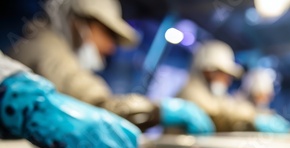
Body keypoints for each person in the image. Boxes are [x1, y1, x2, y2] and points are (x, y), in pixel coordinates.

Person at [7, 0, 214, 134]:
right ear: (81, 23)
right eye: (107, 34)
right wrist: (157, 111)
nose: (110, 48)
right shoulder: (47, 48)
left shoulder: (46, 42)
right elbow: (97, 103)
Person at [0, 52, 139, 148]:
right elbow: (75, 83)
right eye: (110, 37)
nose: (111, 47)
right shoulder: (43, 39)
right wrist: (29, 102)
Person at [177, 40, 290, 133]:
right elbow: (220, 114)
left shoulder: (213, 96)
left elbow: (228, 107)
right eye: (224, 75)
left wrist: (261, 116)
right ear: (208, 71)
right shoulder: (191, 93)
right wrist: (254, 119)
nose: (228, 81)